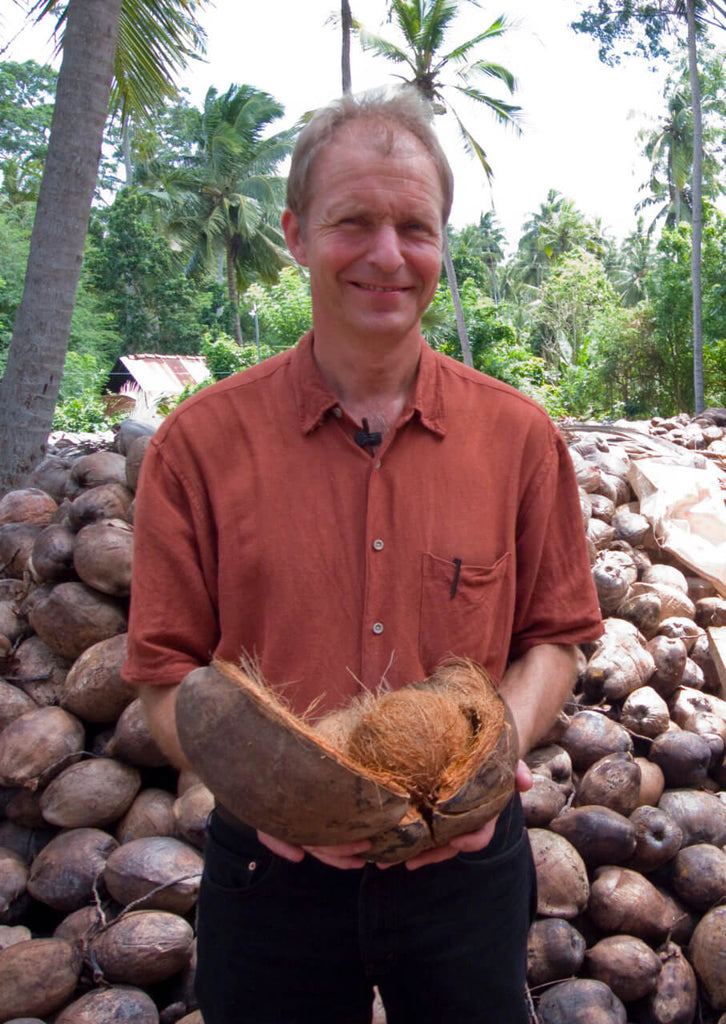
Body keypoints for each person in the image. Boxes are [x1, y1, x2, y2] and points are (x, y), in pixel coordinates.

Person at [123, 87, 603, 1024]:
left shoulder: (518, 438)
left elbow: (557, 638)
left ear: (441, 243)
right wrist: (282, 793)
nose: (389, 256)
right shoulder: (198, 448)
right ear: (297, 235)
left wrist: (487, 761)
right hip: (272, 873)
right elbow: (161, 677)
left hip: (467, 871)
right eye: (355, 222)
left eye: (415, 228)